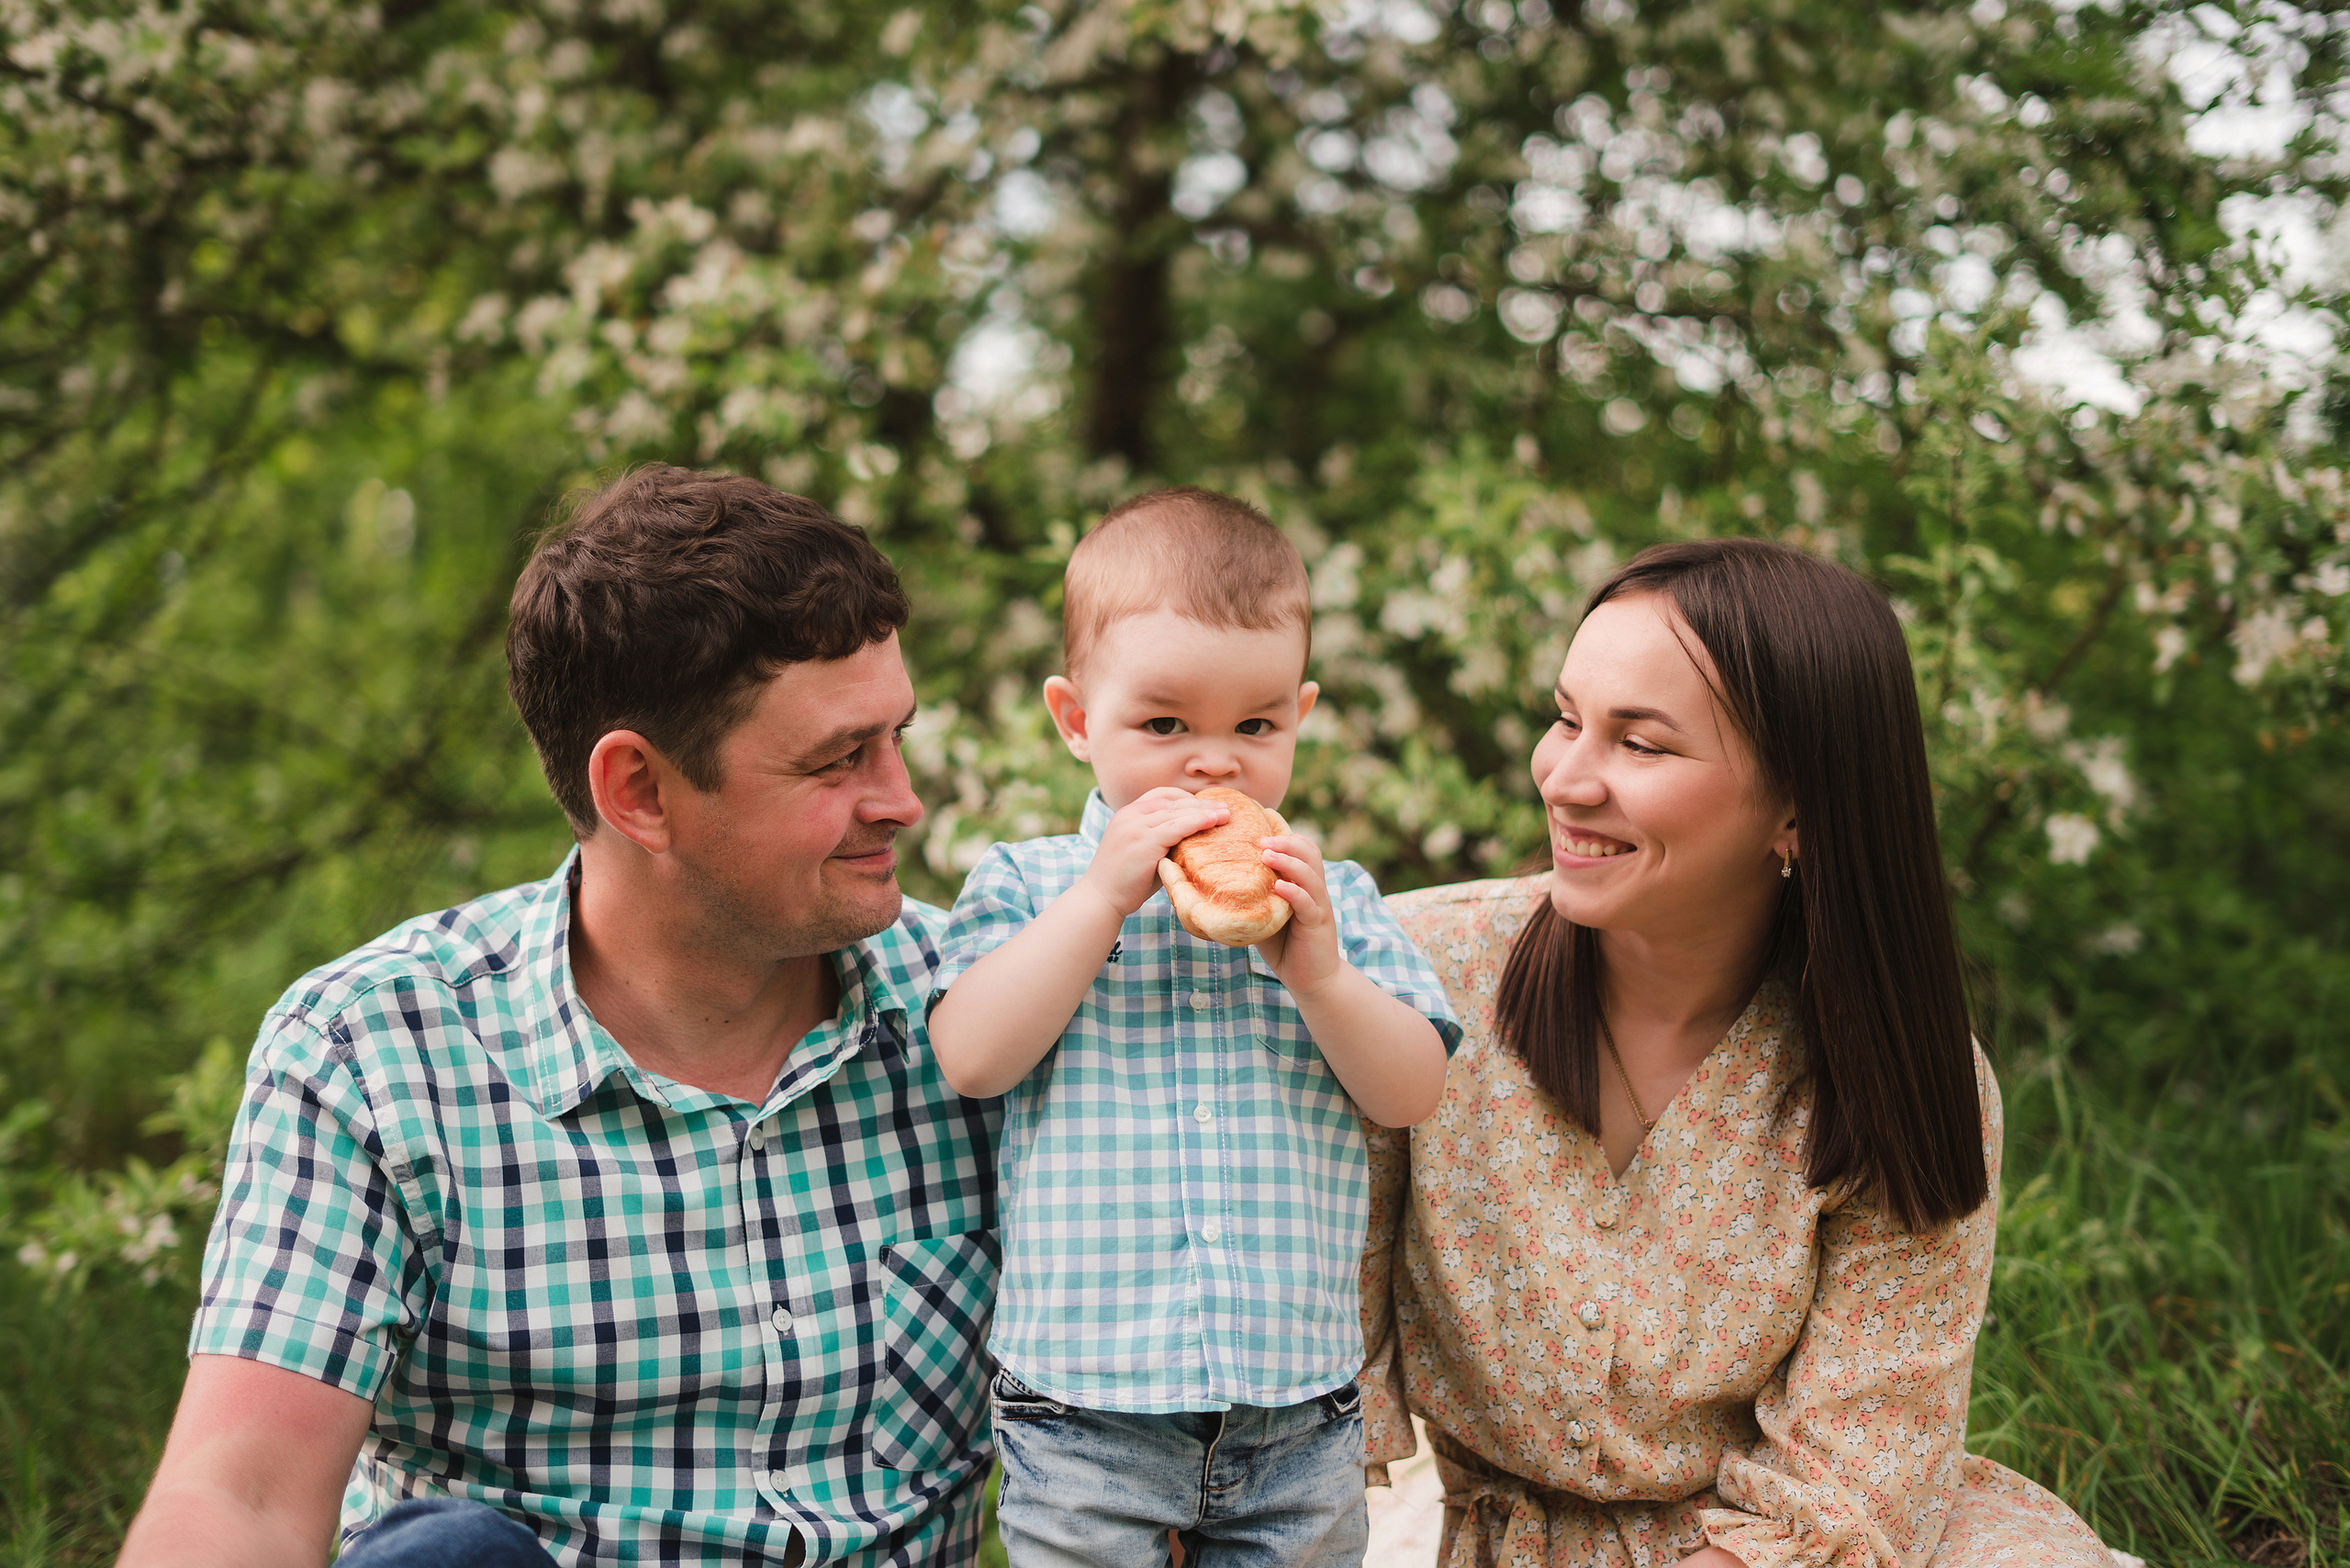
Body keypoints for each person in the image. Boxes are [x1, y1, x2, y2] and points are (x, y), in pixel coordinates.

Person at [117, 467, 1002, 1568]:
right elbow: (240, 1492)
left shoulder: (982, 1009)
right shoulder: (372, 1051)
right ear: (638, 790)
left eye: (895, 736)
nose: (902, 799)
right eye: (837, 760)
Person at [1358, 538, 2118, 1568]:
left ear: (1797, 806)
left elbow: (1857, 1461)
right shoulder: (1405, 985)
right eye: (1567, 718)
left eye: (1643, 745)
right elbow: (1314, 1361)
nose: (1565, 779)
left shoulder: (1899, 1071)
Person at [926, 487, 1461, 1568]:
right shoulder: (1029, 885)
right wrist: (1095, 902)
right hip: (1083, 1414)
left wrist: (1319, 975)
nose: (1212, 761)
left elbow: (1410, 1091)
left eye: (1254, 725)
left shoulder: (1333, 901)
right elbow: (971, 1056)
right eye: (1164, 724)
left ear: (1299, 714)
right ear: (1077, 719)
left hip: (1297, 1413)